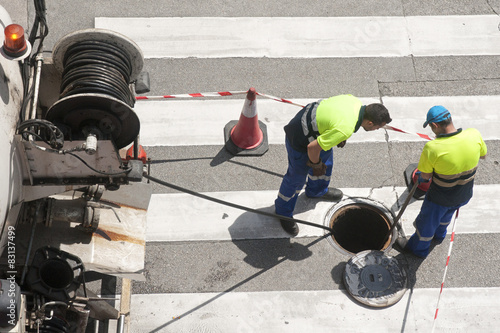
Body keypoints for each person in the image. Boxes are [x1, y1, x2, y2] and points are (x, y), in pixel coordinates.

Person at [275, 94, 392, 236]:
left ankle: (316, 191)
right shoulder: (345, 128)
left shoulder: (354, 101)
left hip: (314, 130)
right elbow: (312, 148)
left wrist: (337, 137)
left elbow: (335, 119)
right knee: (296, 180)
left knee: (327, 164)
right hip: (300, 138)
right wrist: (316, 164)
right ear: (370, 123)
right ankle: (283, 212)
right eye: (378, 127)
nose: (377, 130)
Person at [398, 105, 487, 258]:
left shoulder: (433, 148)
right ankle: (439, 236)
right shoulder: (473, 134)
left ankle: (418, 250)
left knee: (426, 225)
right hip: (464, 194)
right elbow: (483, 155)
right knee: (447, 216)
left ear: (435, 125)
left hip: (439, 199)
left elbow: (425, 177)